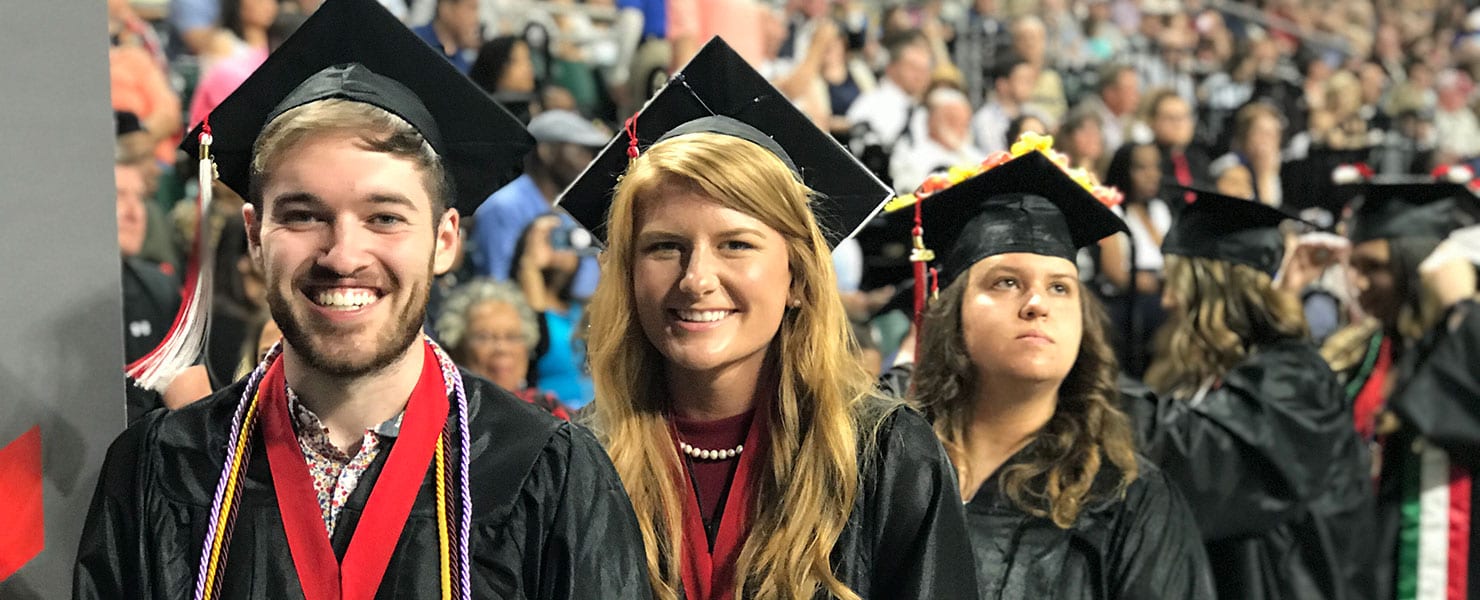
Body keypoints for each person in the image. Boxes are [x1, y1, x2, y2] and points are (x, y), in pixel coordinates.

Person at [74, 2, 651, 598]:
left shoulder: (545, 474)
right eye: (303, 215)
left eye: (384, 217)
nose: (343, 254)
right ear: (253, 235)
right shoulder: (161, 470)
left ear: (445, 240)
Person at [557, 37, 979, 600]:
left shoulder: (888, 458)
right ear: (628, 275)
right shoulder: (576, 462)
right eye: (663, 247)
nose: (696, 278)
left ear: (798, 280)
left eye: (735, 244)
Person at [905, 148, 1215, 599]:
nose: (1037, 303)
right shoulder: (895, 471)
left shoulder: (1130, 502)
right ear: (950, 311)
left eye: (1059, 287)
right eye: (1006, 282)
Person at [1139, 188, 1376, 600]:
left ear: (1215, 293)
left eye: (1177, 285)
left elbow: (1204, 468)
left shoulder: (1296, 380)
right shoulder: (1191, 370)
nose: (1167, 299)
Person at [1308, 180, 1480, 600]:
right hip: (1363, 562)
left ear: (1415, 267)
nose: (1356, 282)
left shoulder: (1464, 344)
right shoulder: (1357, 352)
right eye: (1353, 266)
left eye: (1373, 267)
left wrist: (1461, 309)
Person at [436, 278, 572, 420]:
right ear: (455, 348)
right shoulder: (445, 419)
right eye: (484, 337)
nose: (502, 348)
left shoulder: (554, 415)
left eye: (512, 337)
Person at [1098, 142, 1169, 376]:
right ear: (1123, 171)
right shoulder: (1113, 211)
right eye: (1141, 168)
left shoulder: (1160, 210)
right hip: (1126, 302)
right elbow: (1116, 274)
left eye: (1155, 167)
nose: (1152, 176)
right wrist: (1160, 284)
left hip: (1163, 293)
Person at [413, 0, 481, 74]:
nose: (475, 19)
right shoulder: (412, 40)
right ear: (446, 8)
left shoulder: (464, 67)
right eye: (471, 8)